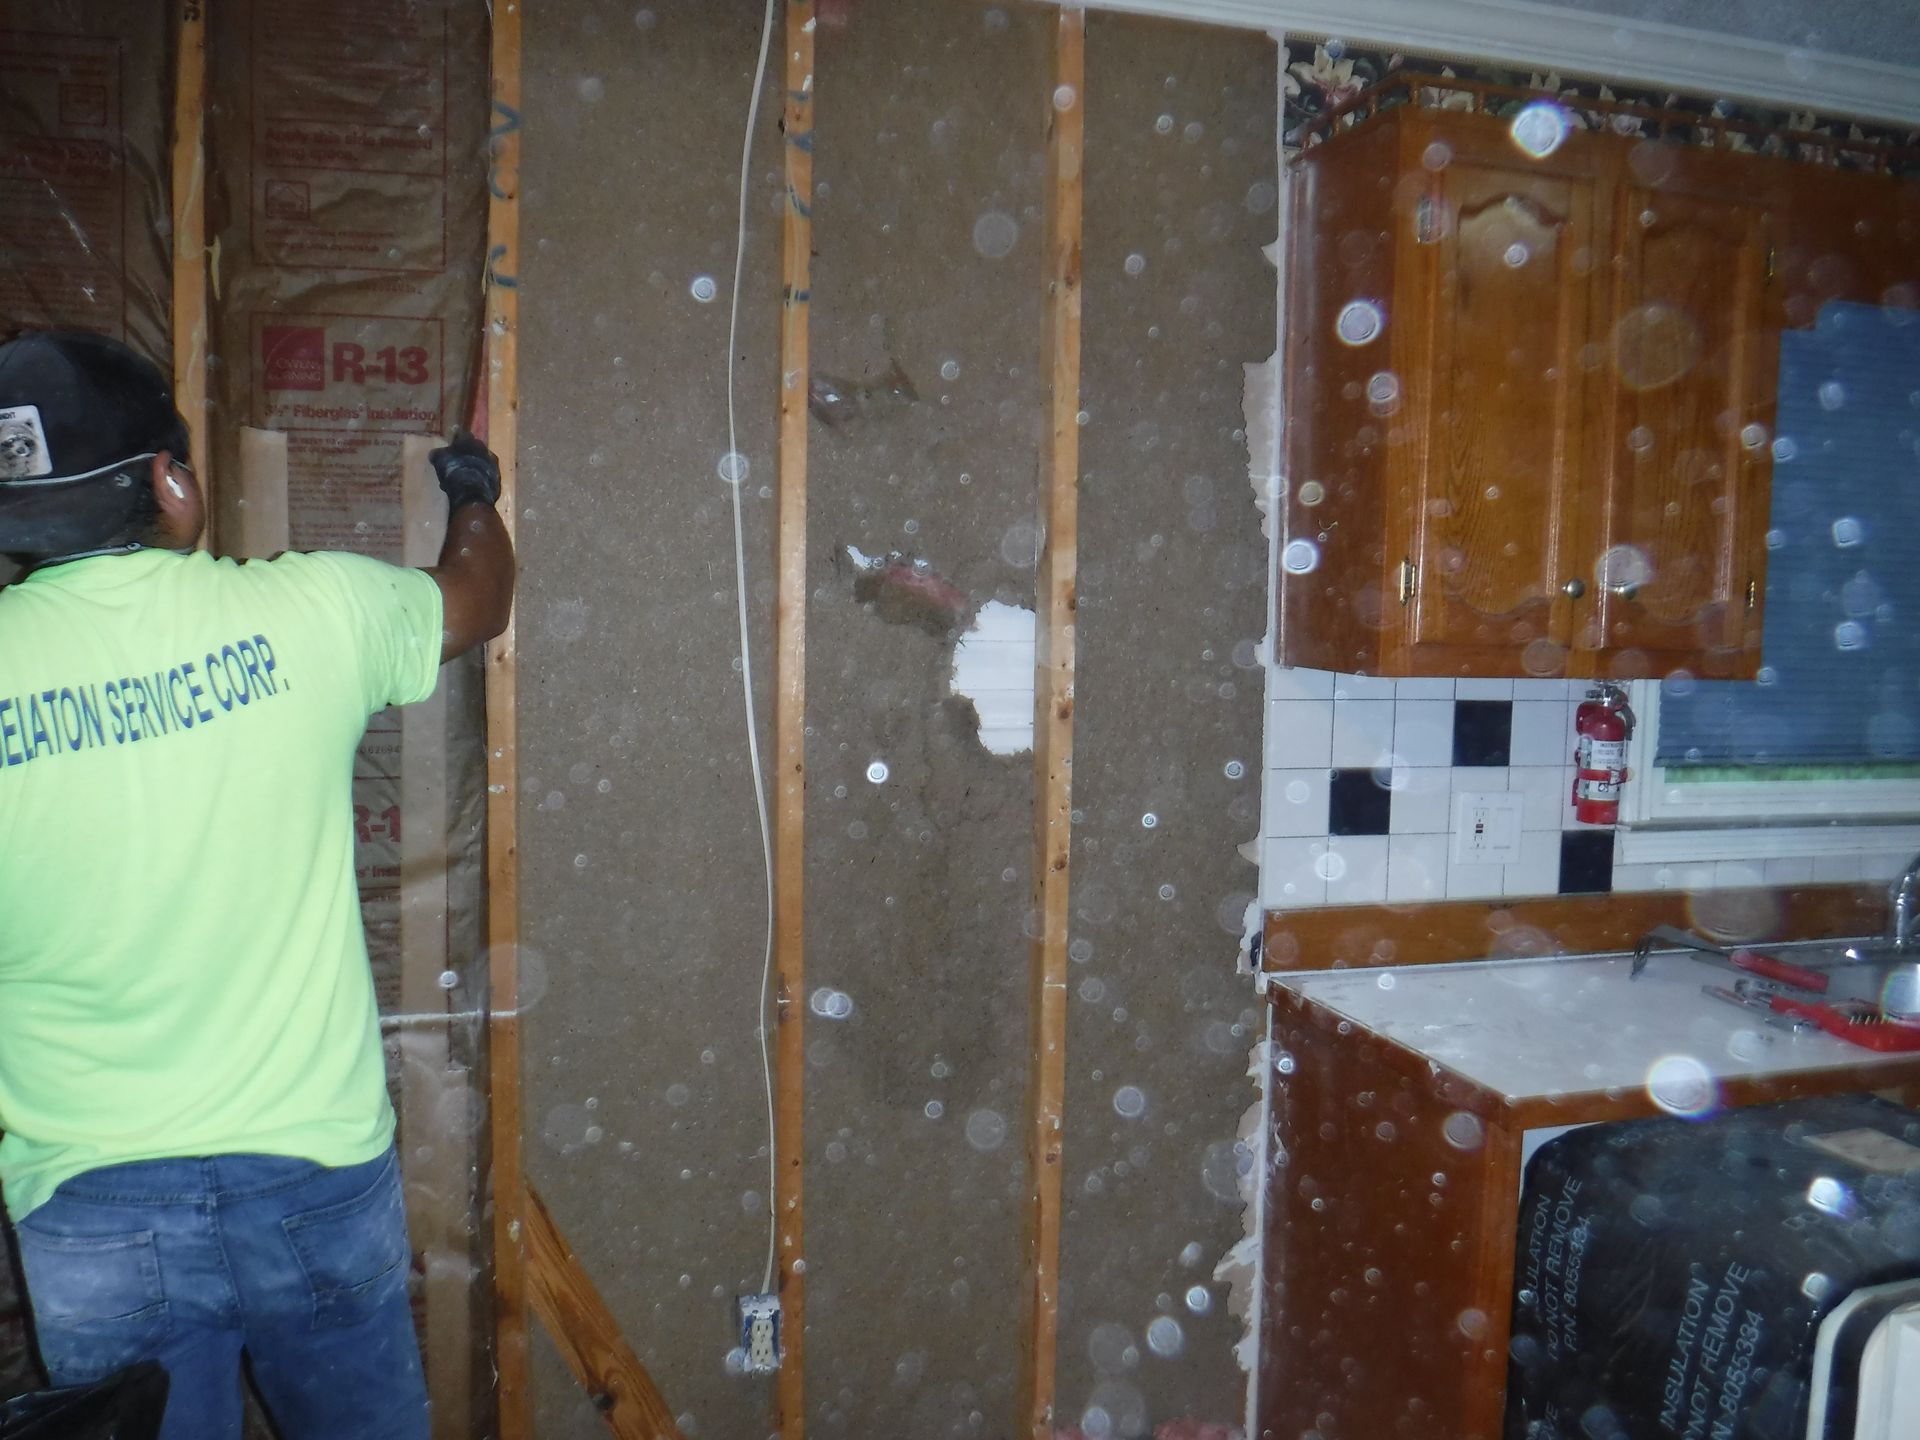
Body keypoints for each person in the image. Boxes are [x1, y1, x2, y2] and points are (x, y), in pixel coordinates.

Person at [0, 330, 515, 1440]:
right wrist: (473, 494)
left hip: (92, 1206)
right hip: (313, 1175)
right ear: (169, 485)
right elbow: (475, 599)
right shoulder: (309, 613)